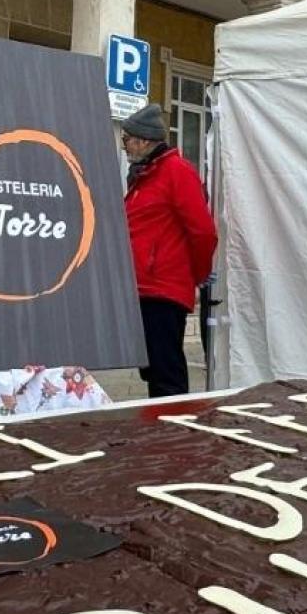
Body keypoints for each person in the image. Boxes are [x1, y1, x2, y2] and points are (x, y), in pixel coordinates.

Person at [120, 103, 218, 399]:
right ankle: (158, 430)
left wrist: (196, 276)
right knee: (153, 372)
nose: (124, 147)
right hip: (143, 289)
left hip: (162, 291)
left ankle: (173, 436)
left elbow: (203, 232)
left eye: (126, 140)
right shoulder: (143, 177)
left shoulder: (176, 172)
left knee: (166, 376)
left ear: (143, 140)